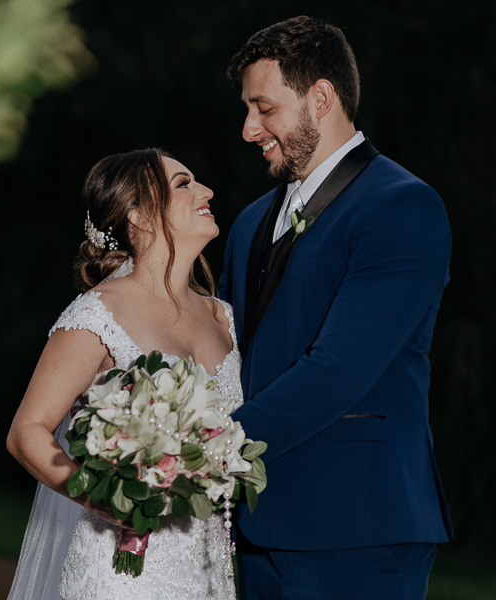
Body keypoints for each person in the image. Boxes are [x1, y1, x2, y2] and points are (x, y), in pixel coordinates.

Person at [219, 15, 454, 599]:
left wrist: (205, 449)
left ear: (320, 97)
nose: (249, 128)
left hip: (359, 527)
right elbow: (223, 353)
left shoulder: (402, 208)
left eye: (264, 107)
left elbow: (339, 369)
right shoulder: (249, 222)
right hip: (253, 524)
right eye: (248, 110)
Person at [6, 148, 241, 600]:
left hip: (210, 570)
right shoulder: (99, 313)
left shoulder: (225, 318)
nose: (207, 191)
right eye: (183, 183)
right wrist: (102, 500)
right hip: (122, 569)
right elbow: (27, 432)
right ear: (140, 216)